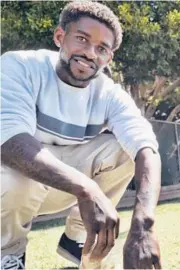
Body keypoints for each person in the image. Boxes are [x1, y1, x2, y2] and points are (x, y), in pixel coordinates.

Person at [1, 2, 162, 269]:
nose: (89, 53)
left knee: (128, 151)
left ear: (108, 58)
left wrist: (143, 225)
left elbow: (147, 150)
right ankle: (8, 252)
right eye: (82, 39)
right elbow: (9, 142)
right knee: (19, 166)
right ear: (59, 37)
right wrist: (87, 188)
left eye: (101, 49)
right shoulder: (19, 66)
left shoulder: (109, 93)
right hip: (8, 186)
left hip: (59, 186)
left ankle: (77, 240)